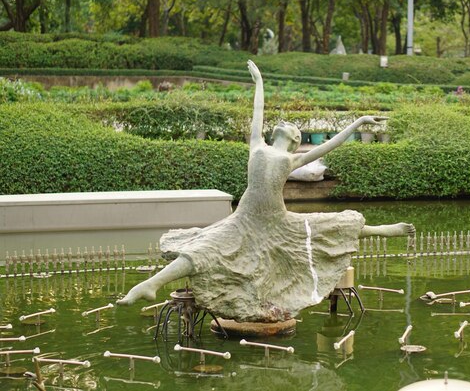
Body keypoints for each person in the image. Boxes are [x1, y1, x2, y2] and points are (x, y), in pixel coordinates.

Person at [117, 60, 415, 322]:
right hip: (245, 218)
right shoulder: (257, 145)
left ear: (295, 139)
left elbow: (331, 144)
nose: (284, 124)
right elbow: (257, 111)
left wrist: (359, 122)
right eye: (282, 123)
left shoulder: (294, 158)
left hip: (276, 220)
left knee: (330, 226)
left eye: (291, 126)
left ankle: (387, 230)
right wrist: (259, 82)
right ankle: (149, 285)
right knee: (203, 249)